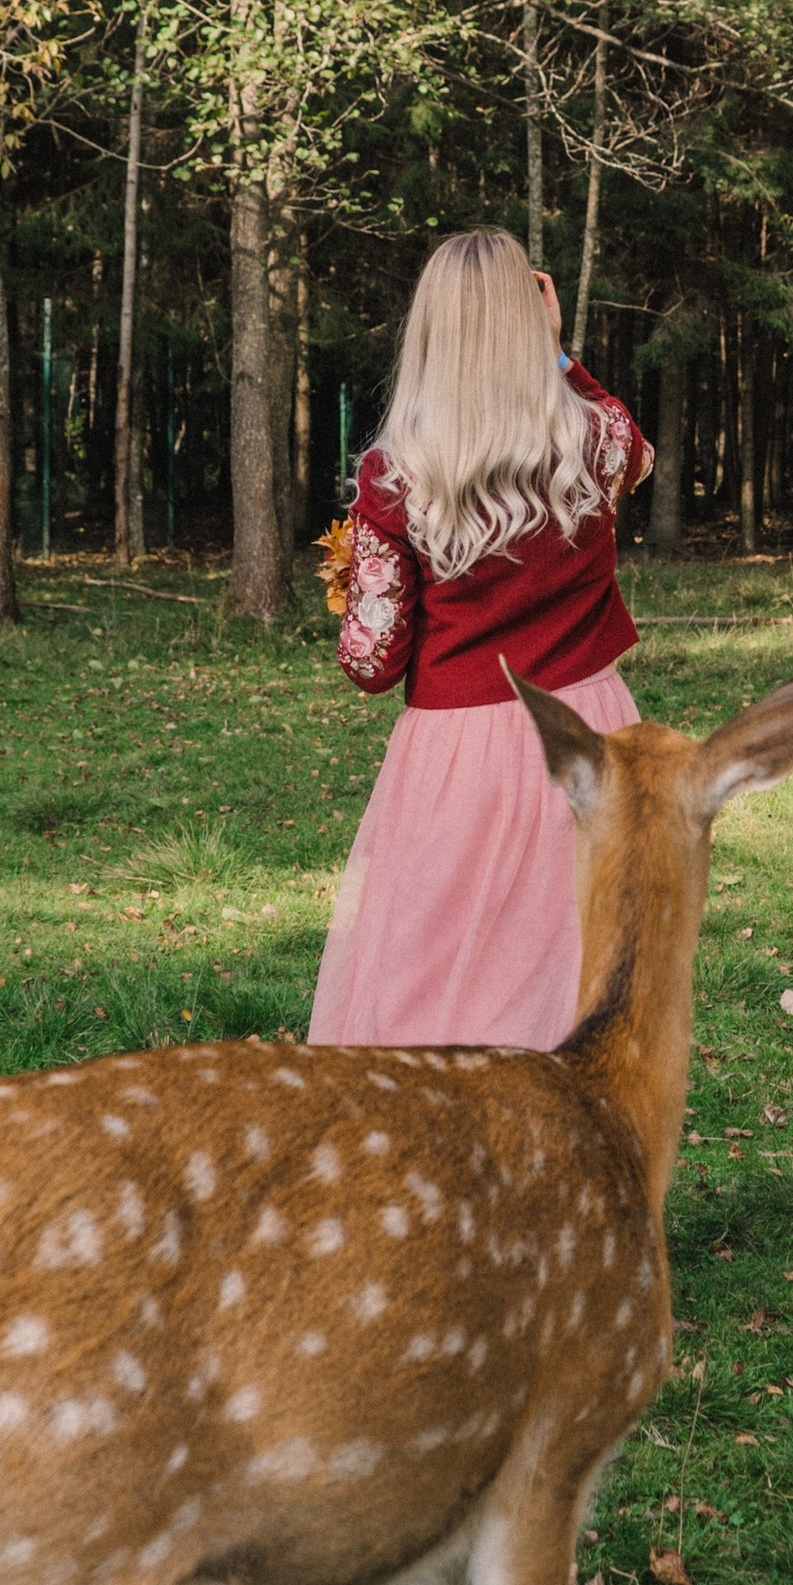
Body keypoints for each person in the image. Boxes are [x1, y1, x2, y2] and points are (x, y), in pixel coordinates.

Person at [310, 226, 654, 1048]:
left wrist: (351, 579)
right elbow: (639, 456)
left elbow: (369, 661)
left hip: (460, 752)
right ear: (527, 325)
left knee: (434, 974)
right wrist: (563, 356)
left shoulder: (396, 475)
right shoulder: (596, 440)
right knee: (584, 962)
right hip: (593, 730)